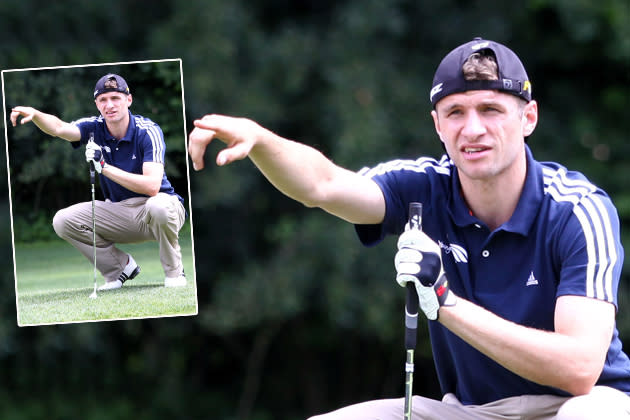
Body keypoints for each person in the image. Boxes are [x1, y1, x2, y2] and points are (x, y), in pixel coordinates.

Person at [187, 37, 630, 419]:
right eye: (455, 112)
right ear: (438, 125)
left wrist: (444, 301)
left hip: (581, 403)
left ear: (528, 118)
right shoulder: (422, 184)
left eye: (491, 109)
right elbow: (323, 184)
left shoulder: (577, 209)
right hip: (470, 411)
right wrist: (263, 141)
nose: (472, 128)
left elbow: (579, 368)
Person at [11, 73, 187, 290]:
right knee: (62, 220)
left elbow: (152, 186)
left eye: (115, 98)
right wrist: (36, 114)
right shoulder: (93, 127)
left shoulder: (147, 131)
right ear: (96, 104)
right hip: (121, 212)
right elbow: (58, 128)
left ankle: (175, 273)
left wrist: (104, 168)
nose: (109, 105)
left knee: (158, 205)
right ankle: (118, 269)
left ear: (128, 100)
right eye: (103, 100)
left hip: (161, 208)